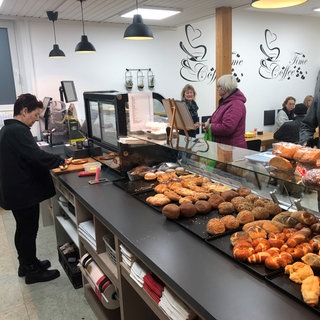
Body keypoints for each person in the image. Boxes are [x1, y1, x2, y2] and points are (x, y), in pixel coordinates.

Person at [0, 93, 67, 285]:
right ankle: (32, 272)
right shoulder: (18, 131)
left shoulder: (8, 129)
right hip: (22, 192)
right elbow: (35, 156)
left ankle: (27, 263)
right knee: (29, 230)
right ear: (24, 111)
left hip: (14, 190)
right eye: (35, 115)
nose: (36, 120)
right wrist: (59, 160)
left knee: (22, 229)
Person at [206, 74, 247, 148]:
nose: (217, 89)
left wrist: (210, 127)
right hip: (225, 147)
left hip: (233, 150)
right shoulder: (225, 103)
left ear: (225, 89)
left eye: (219, 87)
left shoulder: (235, 104)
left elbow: (227, 128)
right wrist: (209, 122)